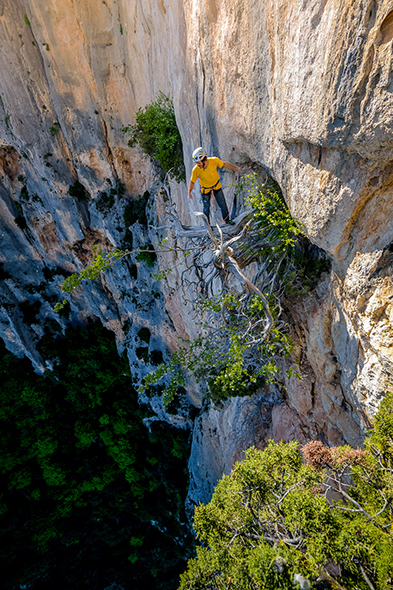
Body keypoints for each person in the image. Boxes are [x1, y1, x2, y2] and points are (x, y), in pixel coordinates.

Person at [188, 147, 243, 225]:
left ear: (204, 160)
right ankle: (208, 226)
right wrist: (189, 191)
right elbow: (192, 181)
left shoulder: (213, 161)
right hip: (205, 190)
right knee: (206, 209)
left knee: (223, 205)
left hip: (216, 186)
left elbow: (224, 164)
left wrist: (236, 168)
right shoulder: (196, 170)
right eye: (197, 163)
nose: (198, 164)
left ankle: (227, 221)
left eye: (199, 162)